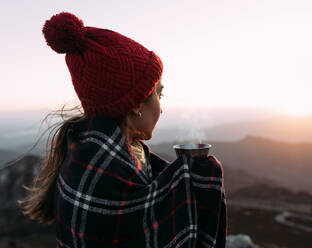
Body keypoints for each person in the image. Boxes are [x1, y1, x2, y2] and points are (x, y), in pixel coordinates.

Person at [18, 12, 227, 248]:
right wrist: (198, 180)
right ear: (137, 104)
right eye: (159, 94)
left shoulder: (88, 153)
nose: (162, 108)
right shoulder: (104, 175)